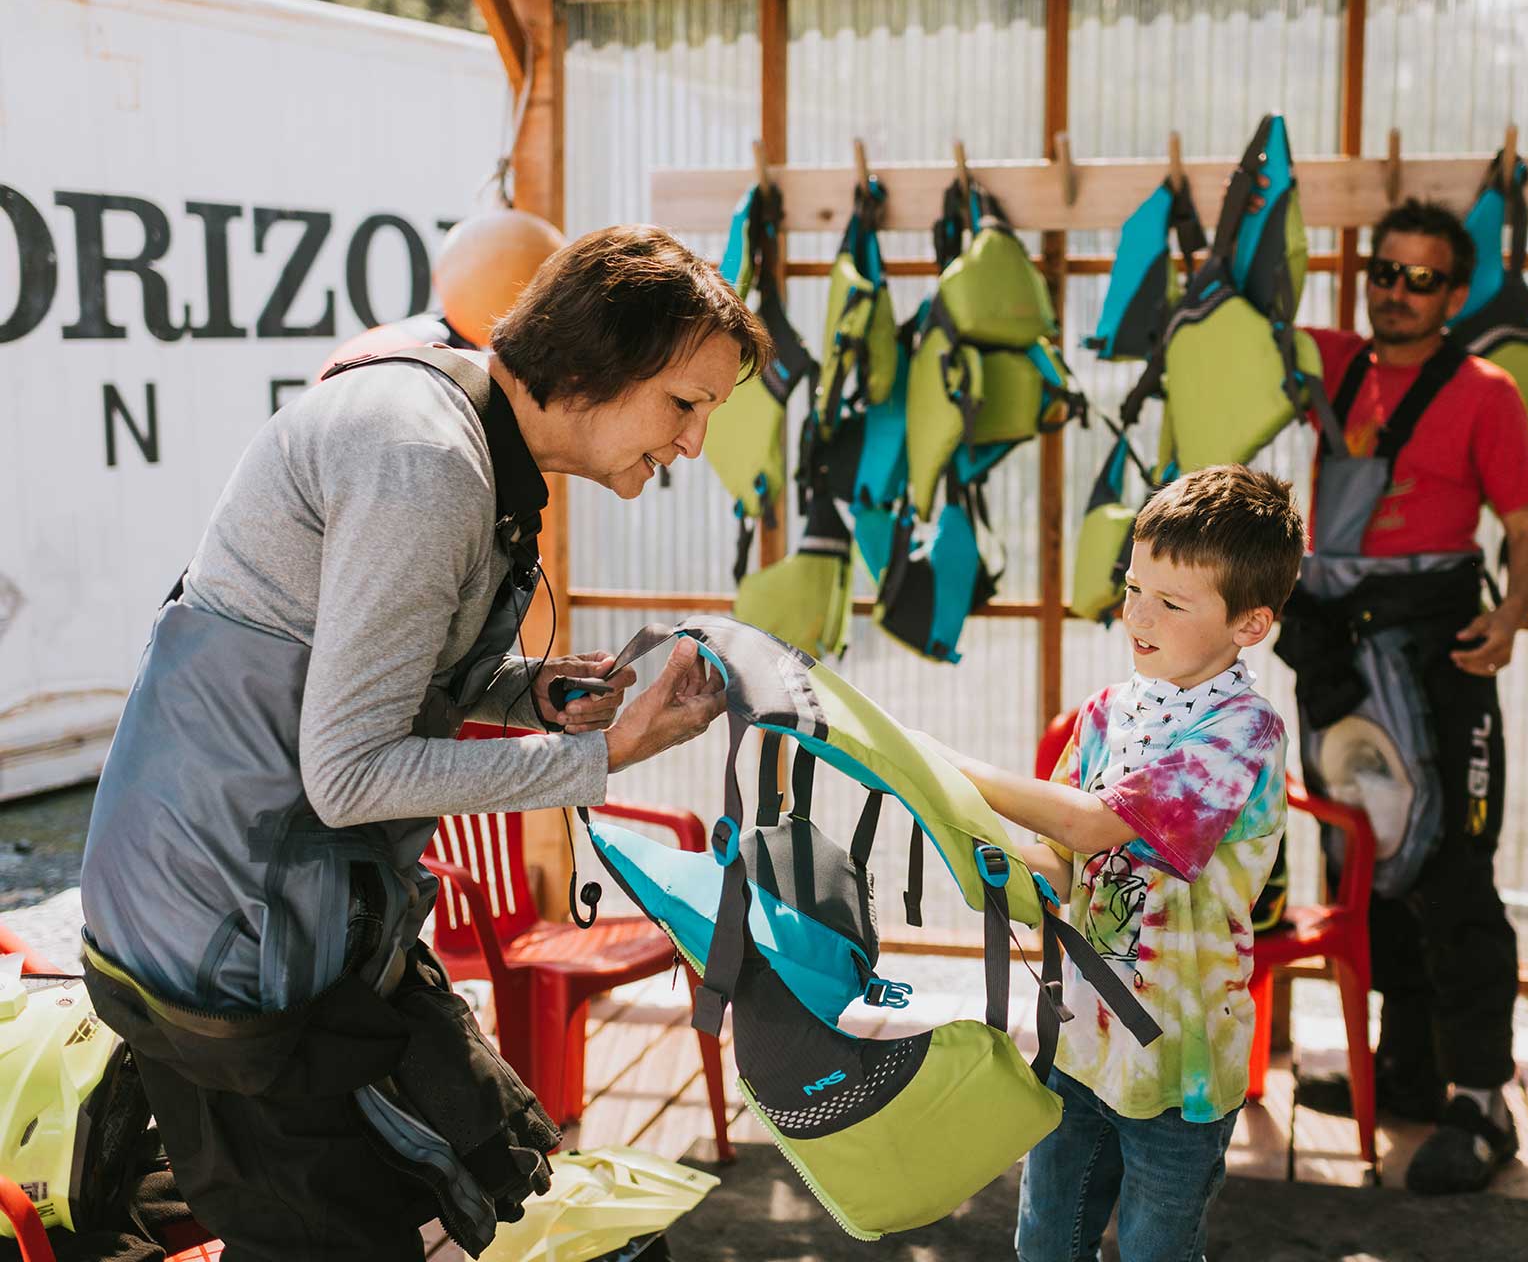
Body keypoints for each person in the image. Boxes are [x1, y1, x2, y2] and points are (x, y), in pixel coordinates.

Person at [78, 225, 769, 1261]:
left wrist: (537, 693)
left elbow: (368, 679)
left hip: (277, 917)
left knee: (453, 1178)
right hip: (224, 948)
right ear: (589, 364)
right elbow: (351, 770)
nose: (692, 446)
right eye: (684, 404)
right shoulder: (426, 462)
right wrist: (604, 754)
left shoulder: (457, 430)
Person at [935, 466, 1304, 1262]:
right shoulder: (1107, 714)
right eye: (1133, 588)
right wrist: (970, 836)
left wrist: (949, 766)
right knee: (1045, 1241)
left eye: (1171, 603)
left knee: (1152, 1250)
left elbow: (1097, 824)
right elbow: (1064, 862)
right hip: (1078, 1044)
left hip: (1182, 1060)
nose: (1137, 615)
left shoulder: (1246, 732)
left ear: (1251, 624)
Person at [1280, 198, 1528, 1195]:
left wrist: (1513, 614)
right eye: (1383, 273)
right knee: (1367, 850)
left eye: (1421, 278)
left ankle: (1481, 1100)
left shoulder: (1487, 392)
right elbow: (1230, 333)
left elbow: (1526, 531)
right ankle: (1405, 1070)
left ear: (1454, 291)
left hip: (1439, 656)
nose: (1397, 292)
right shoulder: (1329, 362)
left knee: (1450, 862)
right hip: (1337, 658)